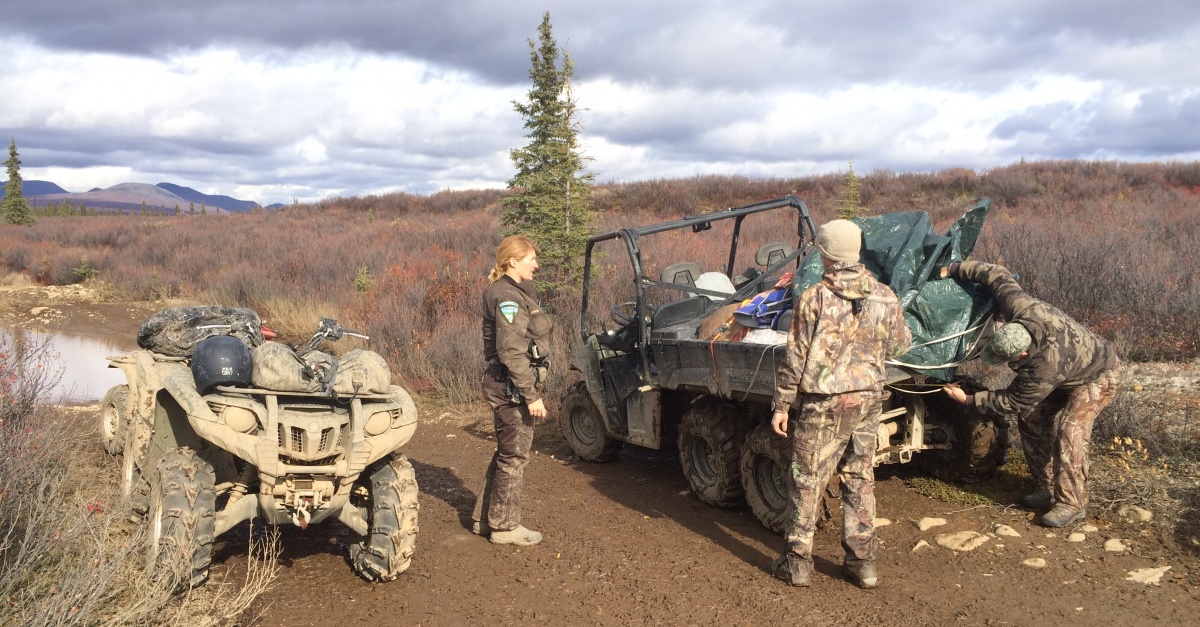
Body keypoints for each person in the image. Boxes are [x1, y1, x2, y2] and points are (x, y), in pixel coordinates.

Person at [769, 219, 912, 589]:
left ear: (825, 254)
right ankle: (863, 563)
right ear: (857, 251)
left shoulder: (813, 297)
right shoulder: (885, 295)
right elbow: (901, 346)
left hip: (823, 405)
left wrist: (782, 405)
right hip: (868, 401)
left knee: (807, 480)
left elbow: (795, 358)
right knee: (860, 478)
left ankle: (798, 563)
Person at [940, 261, 1121, 528]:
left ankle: (1071, 503)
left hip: (1099, 374)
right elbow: (995, 274)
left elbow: (1011, 401)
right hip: (1070, 368)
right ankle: (1046, 487)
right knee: (1031, 417)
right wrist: (952, 269)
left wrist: (967, 400)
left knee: (1071, 431)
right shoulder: (1020, 307)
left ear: (1023, 354)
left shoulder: (1044, 366)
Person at [471, 235, 553, 546]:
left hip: (507, 384)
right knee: (514, 456)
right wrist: (532, 396)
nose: (536, 264)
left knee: (507, 453)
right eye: (531, 258)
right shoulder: (507, 295)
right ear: (513, 261)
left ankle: (485, 519)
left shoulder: (510, 291)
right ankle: (505, 527)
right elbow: (511, 352)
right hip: (511, 388)